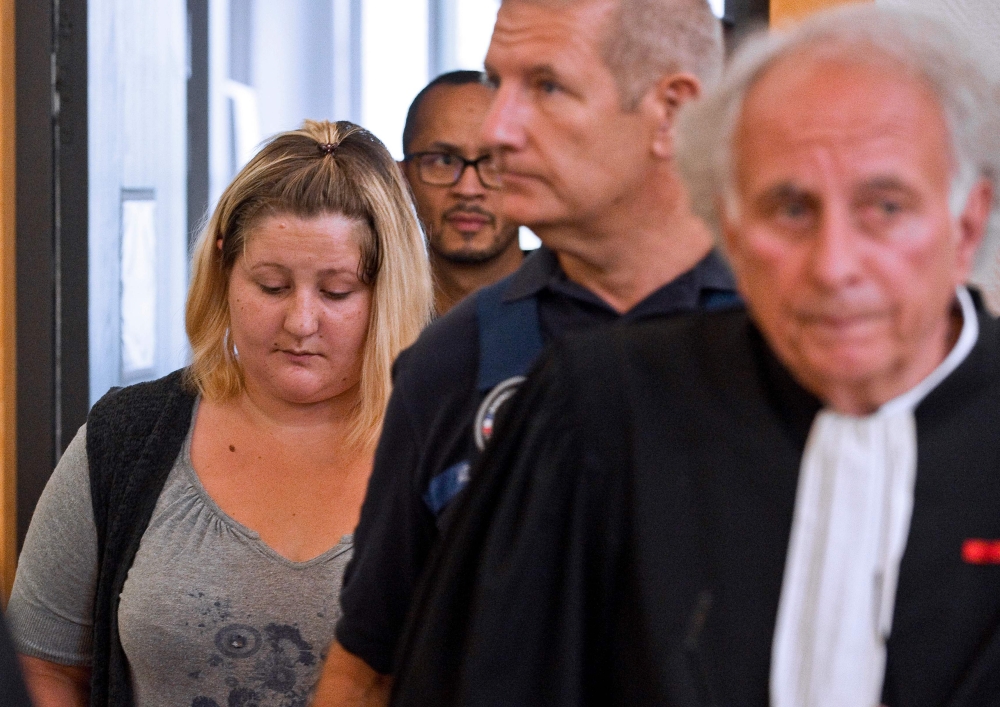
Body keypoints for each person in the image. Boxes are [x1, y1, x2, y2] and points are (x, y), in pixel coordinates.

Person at [388, 6, 1000, 706]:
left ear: (967, 224)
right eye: (790, 209)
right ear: (731, 227)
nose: (834, 265)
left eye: (885, 207)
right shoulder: (596, 409)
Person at [312, 0, 738, 704]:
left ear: (672, 111)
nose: (500, 128)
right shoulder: (450, 361)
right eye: (497, 83)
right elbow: (367, 667)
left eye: (545, 87)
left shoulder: (792, 343)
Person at [6, 120, 432, 707]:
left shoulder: (444, 450)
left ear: (387, 291)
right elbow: (41, 662)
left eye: (336, 292)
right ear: (224, 270)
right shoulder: (128, 438)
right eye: (272, 286)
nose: (300, 322)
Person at [401, 70, 523, 315]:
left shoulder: (582, 316)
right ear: (402, 177)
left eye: (494, 162)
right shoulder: (369, 321)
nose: (468, 190)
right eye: (444, 161)